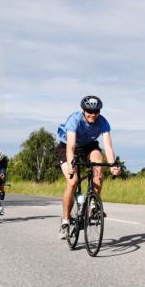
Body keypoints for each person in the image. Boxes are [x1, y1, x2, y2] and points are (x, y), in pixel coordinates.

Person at [56, 95, 121, 239]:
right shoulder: (74, 120)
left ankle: (93, 204)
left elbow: (108, 147)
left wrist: (113, 165)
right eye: (89, 111)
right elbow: (70, 146)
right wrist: (71, 164)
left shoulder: (103, 122)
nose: (93, 114)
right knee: (73, 181)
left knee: (98, 165)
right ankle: (65, 221)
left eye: (96, 111)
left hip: (89, 146)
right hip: (67, 146)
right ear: (83, 110)